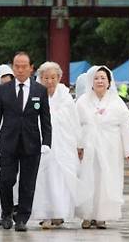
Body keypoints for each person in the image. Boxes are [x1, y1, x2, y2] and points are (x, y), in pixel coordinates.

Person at [0, 52, 52, 232]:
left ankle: (22, 217)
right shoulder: (4, 89)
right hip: (8, 142)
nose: (20, 70)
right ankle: (6, 213)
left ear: (31, 68)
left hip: (32, 143)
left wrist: (47, 142)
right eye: (17, 66)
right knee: (6, 180)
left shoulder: (40, 90)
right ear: (13, 67)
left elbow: (45, 119)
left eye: (24, 66)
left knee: (27, 182)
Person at [76, 66, 129, 230]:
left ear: (109, 82)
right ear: (91, 82)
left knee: (107, 181)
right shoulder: (82, 102)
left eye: (103, 78)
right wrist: (78, 145)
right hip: (89, 147)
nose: (100, 81)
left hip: (110, 147)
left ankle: (102, 216)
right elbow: (76, 125)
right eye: (96, 78)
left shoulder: (117, 102)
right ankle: (87, 215)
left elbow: (126, 126)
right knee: (88, 179)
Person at [31, 62, 82, 229]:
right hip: (42, 143)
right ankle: (44, 213)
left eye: (53, 77)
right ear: (40, 78)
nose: (50, 81)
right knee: (43, 178)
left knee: (61, 178)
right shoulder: (36, 94)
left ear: (59, 78)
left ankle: (59, 213)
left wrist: (78, 143)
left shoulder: (66, 97)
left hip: (63, 143)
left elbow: (74, 121)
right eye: (46, 77)